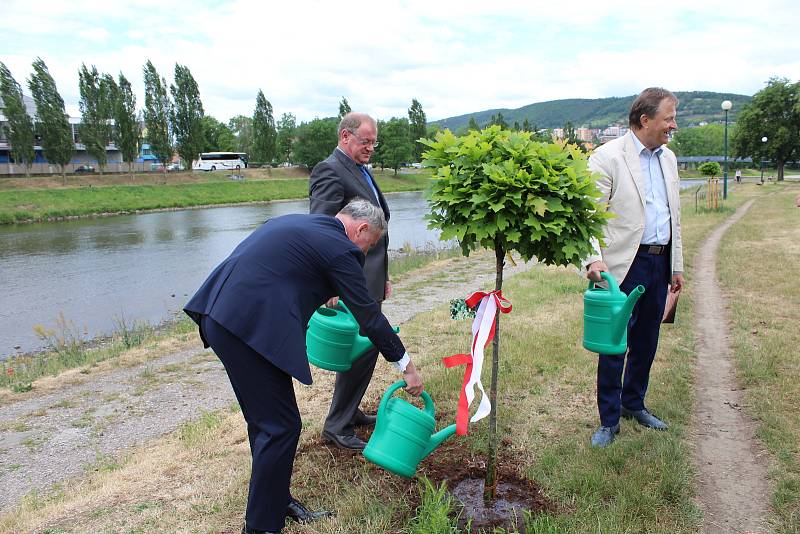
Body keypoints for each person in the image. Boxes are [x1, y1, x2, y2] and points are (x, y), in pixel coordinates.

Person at [184, 199, 424, 534]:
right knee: (280, 426)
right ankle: (261, 526)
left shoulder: (306, 225)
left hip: (224, 315)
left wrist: (325, 287)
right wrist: (406, 365)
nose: (364, 254)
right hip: (245, 327)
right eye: (368, 246)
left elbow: (282, 270)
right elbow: (369, 317)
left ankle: (276, 501)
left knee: (266, 423)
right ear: (362, 229)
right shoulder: (342, 249)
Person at [583, 87, 685, 448]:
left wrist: (676, 265)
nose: (673, 125)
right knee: (614, 344)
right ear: (645, 119)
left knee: (646, 340)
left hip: (660, 261)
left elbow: (674, 216)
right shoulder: (607, 157)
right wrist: (592, 259)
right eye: (668, 118)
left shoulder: (669, 159)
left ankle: (633, 403)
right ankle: (609, 421)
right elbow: (587, 218)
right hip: (622, 266)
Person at [308, 112, 392, 451]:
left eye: (374, 142)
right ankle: (337, 425)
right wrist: (330, 284)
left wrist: (384, 274)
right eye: (365, 141)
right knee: (357, 348)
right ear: (345, 136)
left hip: (370, 274)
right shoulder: (329, 170)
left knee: (364, 352)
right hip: (349, 280)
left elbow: (375, 228)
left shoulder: (361, 169)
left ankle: (350, 410)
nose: (371, 148)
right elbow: (321, 229)